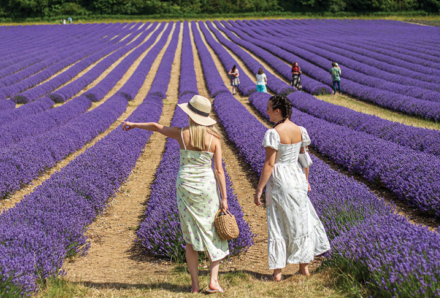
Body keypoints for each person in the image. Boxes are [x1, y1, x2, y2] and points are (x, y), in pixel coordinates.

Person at [122, 95, 229, 294]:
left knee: (190, 237)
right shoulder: (214, 139)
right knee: (213, 232)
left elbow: (155, 126)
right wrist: (224, 198)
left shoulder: (181, 134)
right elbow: (219, 171)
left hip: (185, 185)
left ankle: (195, 285)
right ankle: (213, 280)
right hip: (206, 187)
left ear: (190, 114)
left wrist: (133, 124)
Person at [255, 95, 330, 282]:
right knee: (301, 221)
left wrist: (259, 189)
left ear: (277, 111)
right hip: (297, 178)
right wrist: (305, 180)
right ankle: (304, 269)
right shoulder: (300, 130)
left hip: (281, 179)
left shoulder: (273, 133)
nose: (267, 112)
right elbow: (305, 159)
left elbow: (270, 164)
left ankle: (278, 272)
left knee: (278, 223)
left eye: (269, 108)